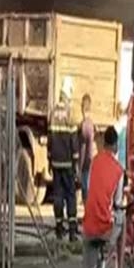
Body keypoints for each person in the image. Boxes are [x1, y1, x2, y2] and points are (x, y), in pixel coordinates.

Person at [82, 126, 126, 268]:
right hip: (104, 227)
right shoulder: (118, 171)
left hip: (88, 226)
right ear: (115, 145)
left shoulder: (94, 162)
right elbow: (119, 203)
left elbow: (89, 188)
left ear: (103, 143)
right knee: (123, 220)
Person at [49, 77, 79, 242]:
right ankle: (73, 232)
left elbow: (50, 138)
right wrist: (75, 163)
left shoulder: (53, 113)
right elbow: (74, 141)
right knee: (71, 196)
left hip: (55, 162)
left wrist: (49, 159)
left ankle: (59, 228)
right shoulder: (70, 113)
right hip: (67, 163)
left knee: (58, 195)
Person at [78, 93, 95, 203]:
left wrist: (81, 165)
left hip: (85, 162)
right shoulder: (90, 124)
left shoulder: (85, 125)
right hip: (88, 160)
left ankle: (87, 212)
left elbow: (85, 148)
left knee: (85, 187)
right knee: (86, 186)